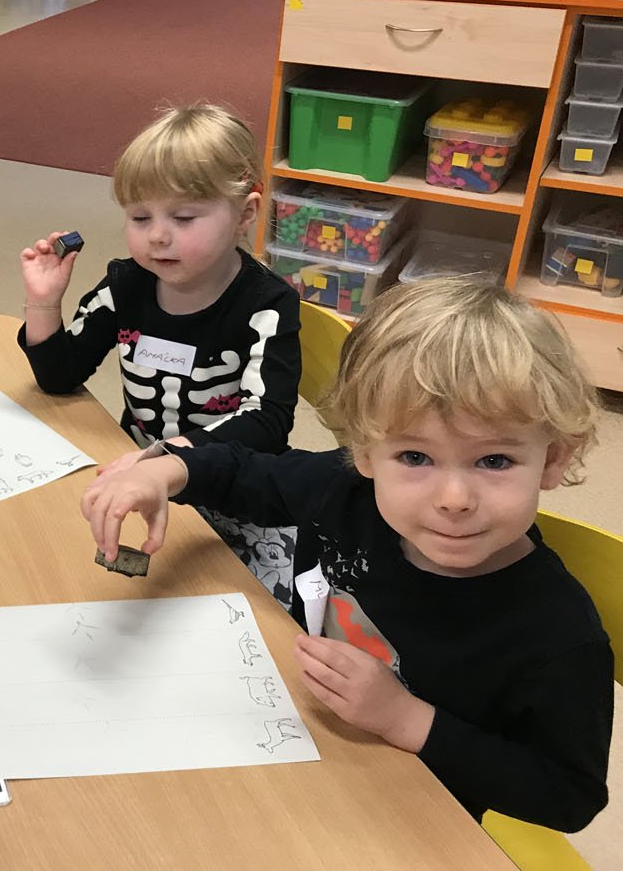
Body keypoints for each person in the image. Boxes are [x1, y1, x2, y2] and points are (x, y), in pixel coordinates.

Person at [81, 278, 612, 832]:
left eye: (494, 461)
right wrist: (168, 471)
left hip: (404, 823)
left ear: (553, 459)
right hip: (293, 746)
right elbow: (248, 474)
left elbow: (569, 797)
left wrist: (407, 719)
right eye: (415, 457)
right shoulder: (346, 492)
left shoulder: (559, 635)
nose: (454, 499)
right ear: (364, 452)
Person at [20, 105, 301, 602]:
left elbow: (268, 420)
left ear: (246, 213)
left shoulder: (267, 303)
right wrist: (44, 302)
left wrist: (165, 459)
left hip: (233, 486)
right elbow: (60, 376)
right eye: (140, 216)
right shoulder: (126, 284)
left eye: (184, 217)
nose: (157, 236)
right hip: (132, 474)